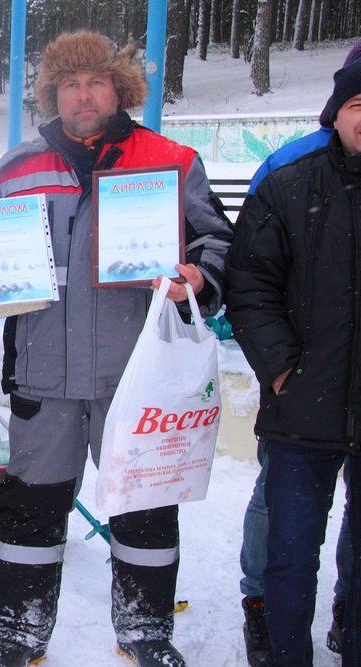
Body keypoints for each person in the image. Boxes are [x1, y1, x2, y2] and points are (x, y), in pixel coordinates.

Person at [0, 31, 233, 667]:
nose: (83, 95)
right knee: (31, 512)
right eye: (70, 84)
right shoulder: (17, 166)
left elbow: (217, 242)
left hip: (136, 376)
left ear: (120, 88)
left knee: (144, 508)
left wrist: (199, 277)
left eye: (97, 82)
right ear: (53, 93)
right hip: (43, 377)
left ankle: (145, 631)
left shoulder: (170, 159)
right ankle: (19, 635)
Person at [226, 59, 361, 667]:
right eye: (358, 105)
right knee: (288, 553)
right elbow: (251, 285)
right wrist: (284, 371)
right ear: (336, 113)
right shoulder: (289, 182)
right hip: (304, 409)